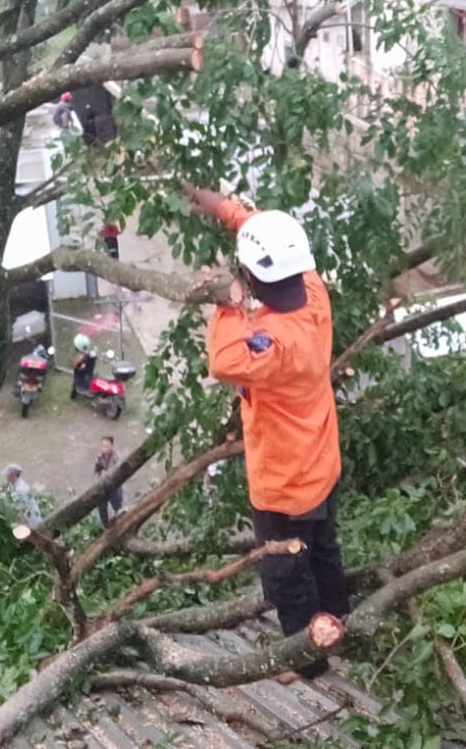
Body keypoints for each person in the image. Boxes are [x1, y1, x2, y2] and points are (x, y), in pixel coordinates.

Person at [188, 185, 347, 682]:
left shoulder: (274, 342)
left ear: (252, 278)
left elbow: (223, 360)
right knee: (322, 550)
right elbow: (272, 238)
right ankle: (338, 620)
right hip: (320, 462)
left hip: (284, 482)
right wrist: (228, 212)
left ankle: (307, 660)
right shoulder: (313, 292)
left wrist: (227, 303)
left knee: (286, 571)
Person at [93, 435, 124, 526]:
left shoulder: (116, 459)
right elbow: (96, 472)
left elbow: (115, 473)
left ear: (112, 446)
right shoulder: (99, 458)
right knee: (102, 507)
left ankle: (121, 523)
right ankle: (105, 526)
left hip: (114, 487)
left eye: (107, 446)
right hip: (102, 487)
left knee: (118, 507)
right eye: (103, 446)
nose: (104, 449)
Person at [3, 463, 42, 528]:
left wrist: (22, 523)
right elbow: (9, 491)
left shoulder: (21, 490)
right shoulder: (13, 484)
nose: (6, 477)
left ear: (13, 475)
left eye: (7, 475)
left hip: (31, 519)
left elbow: (24, 509)